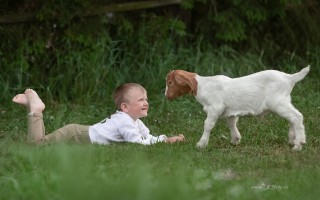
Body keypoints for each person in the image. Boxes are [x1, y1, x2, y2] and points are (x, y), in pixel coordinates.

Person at [12, 83, 185, 145]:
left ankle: (32, 108)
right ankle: (35, 110)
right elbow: (138, 143)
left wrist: (163, 139)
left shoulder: (134, 121)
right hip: (77, 136)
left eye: (146, 99)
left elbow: (148, 137)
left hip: (79, 133)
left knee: (43, 142)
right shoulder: (125, 121)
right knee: (35, 147)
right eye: (141, 100)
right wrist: (167, 141)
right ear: (124, 107)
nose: (146, 102)